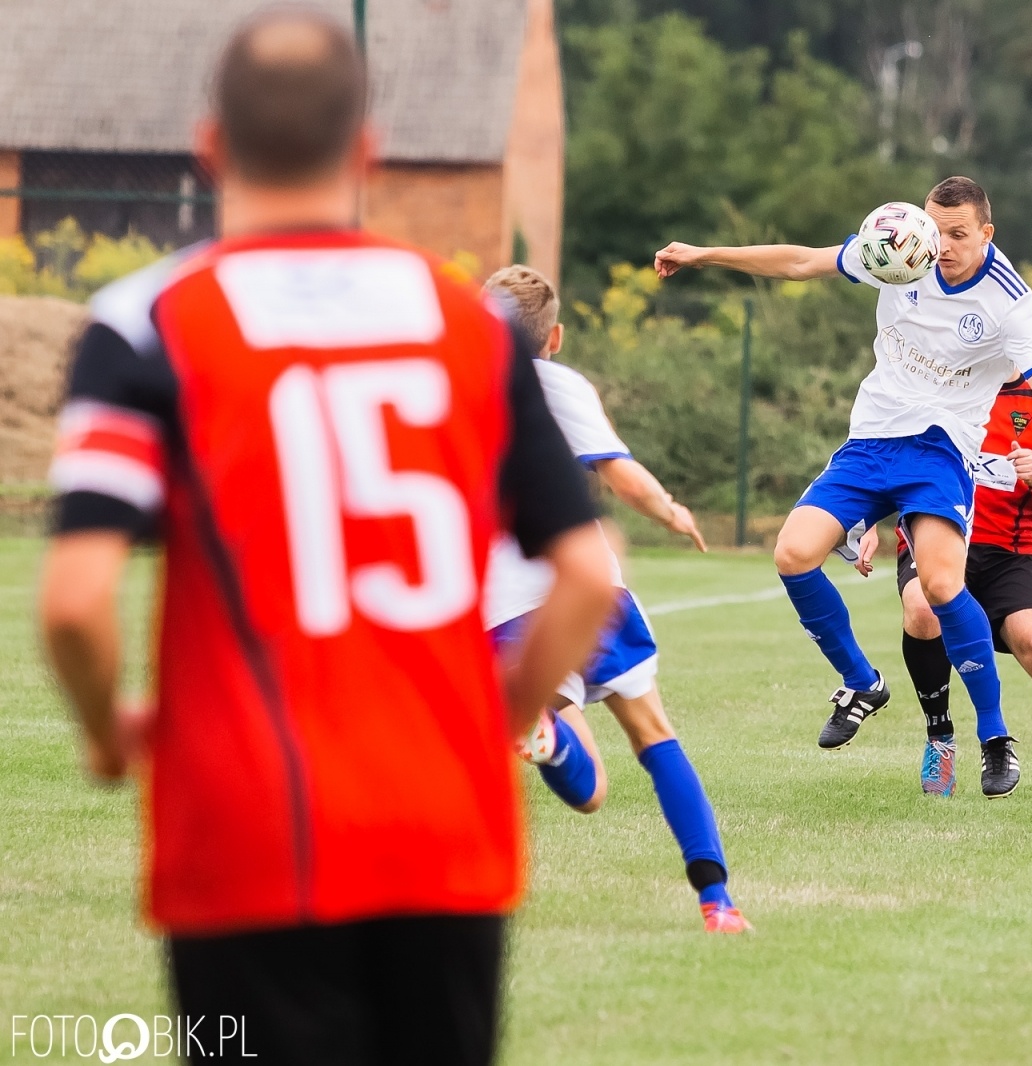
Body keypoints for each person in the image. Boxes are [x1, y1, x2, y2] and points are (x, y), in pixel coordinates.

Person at [35, 11, 615, 1065]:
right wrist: (503, 716)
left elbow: (74, 599)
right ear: (366, 151)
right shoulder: (465, 325)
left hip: (249, 827)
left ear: (210, 146)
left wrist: (104, 730)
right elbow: (584, 575)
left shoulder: (144, 321)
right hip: (441, 826)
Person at [655, 177, 1032, 798]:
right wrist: (703, 254)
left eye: (959, 235)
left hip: (939, 451)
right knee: (792, 553)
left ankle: (994, 737)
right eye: (938, 231)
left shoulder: (1007, 299)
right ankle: (863, 682)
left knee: (938, 588)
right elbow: (802, 261)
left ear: (987, 234)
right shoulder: (901, 251)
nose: (942, 247)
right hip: (872, 442)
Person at [480, 265, 750, 935]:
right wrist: (670, 510)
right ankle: (717, 902)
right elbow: (620, 473)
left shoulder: (445, 384)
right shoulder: (556, 383)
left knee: (587, 785)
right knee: (652, 736)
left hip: (497, 599)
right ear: (555, 338)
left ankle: (545, 734)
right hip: (584, 586)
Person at [852, 375, 1032, 804]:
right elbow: (886, 459)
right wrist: (864, 521)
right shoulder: (936, 382)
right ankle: (940, 738)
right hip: (937, 533)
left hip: (1009, 555)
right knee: (923, 608)